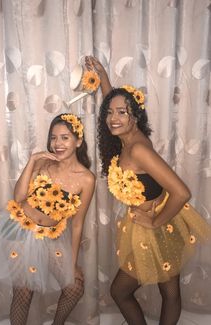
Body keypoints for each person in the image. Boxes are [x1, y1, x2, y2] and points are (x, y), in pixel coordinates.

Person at [85, 56, 211, 325]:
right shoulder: (125, 138)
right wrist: (104, 79)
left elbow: (182, 192)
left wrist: (154, 221)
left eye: (122, 112)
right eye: (110, 112)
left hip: (159, 226)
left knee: (137, 291)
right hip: (147, 226)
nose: (113, 118)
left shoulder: (139, 148)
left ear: (135, 117)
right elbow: (114, 103)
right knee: (164, 291)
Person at [0, 113, 95, 325]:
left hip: (50, 235)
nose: (57, 144)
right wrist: (32, 161)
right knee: (24, 292)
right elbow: (19, 197)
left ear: (78, 141)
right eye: (53, 137)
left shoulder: (87, 179)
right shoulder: (43, 162)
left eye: (64, 137)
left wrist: (72, 263)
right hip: (17, 228)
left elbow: (77, 223)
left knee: (75, 287)